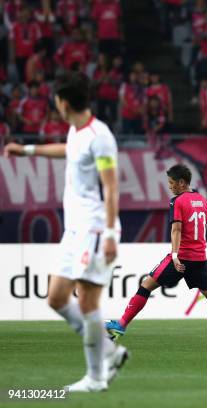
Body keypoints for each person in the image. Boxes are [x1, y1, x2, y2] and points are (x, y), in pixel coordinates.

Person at [3, 72, 128, 392]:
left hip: (96, 228)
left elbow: (112, 188)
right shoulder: (77, 131)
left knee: (87, 301)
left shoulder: (100, 136)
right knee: (57, 298)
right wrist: (27, 150)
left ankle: (96, 378)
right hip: (74, 230)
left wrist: (111, 234)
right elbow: (68, 151)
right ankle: (111, 351)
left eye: (56, 100)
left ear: (64, 102)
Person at [105, 164, 207, 343]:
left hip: (182, 257)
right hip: (200, 258)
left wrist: (174, 255)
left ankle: (121, 325)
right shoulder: (202, 200)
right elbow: (205, 224)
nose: (169, 186)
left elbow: (176, 229)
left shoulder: (177, 201)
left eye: (172, 183)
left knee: (146, 285)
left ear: (181, 182)